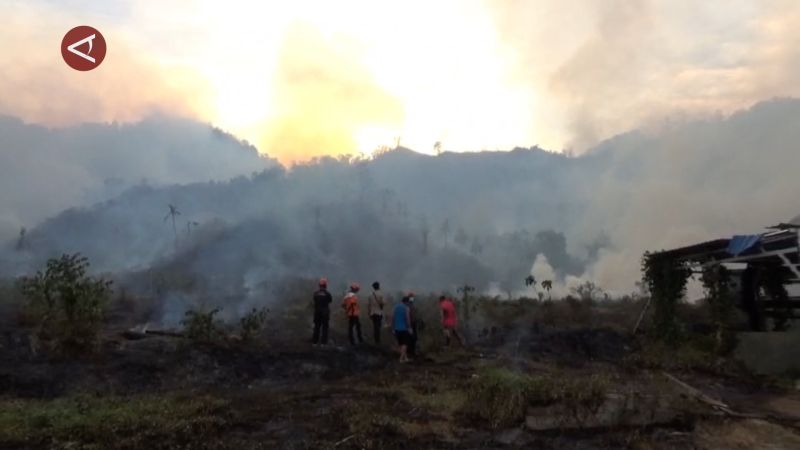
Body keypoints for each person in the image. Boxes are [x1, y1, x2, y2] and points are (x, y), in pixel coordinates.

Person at [312, 278, 332, 345]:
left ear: (319, 285)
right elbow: (330, 301)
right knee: (325, 328)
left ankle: (314, 342)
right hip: (325, 313)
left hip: (317, 312)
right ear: (325, 285)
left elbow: (315, 300)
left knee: (317, 327)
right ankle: (323, 343)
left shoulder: (315, 293)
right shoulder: (328, 294)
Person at [392, 296, 413, 363]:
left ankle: (406, 358)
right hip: (404, 329)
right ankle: (401, 359)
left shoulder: (396, 307)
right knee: (405, 344)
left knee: (401, 344)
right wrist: (409, 328)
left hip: (397, 329)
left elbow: (393, 317)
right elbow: (407, 318)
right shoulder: (406, 308)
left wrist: (393, 328)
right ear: (407, 302)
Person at [407, 293, 420, 357]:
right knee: (413, 337)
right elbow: (415, 315)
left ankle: (411, 351)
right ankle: (412, 351)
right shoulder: (412, 306)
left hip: (410, 323)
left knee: (410, 337)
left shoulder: (408, 306)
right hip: (412, 323)